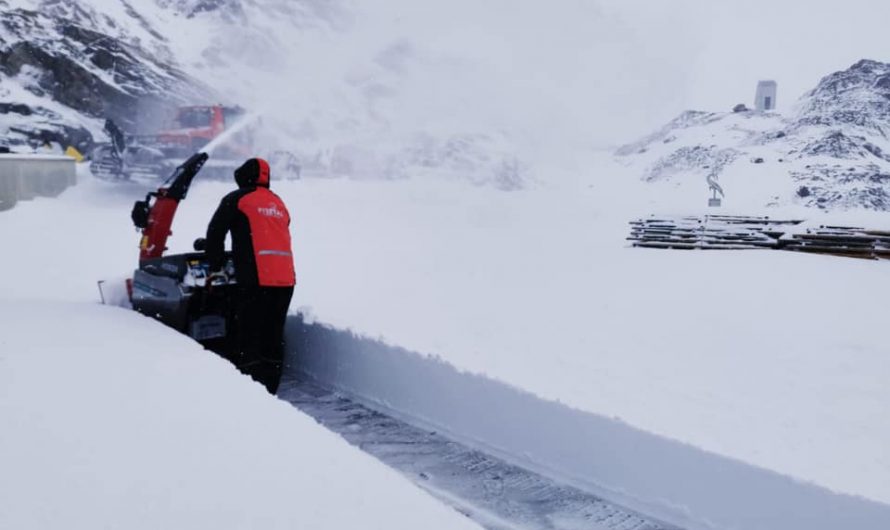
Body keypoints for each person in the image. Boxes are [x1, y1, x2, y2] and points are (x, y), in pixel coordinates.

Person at [205, 157, 296, 394]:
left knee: (247, 331)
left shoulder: (237, 199)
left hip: (256, 278)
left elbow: (215, 234)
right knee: (273, 333)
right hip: (286, 279)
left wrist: (215, 266)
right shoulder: (278, 202)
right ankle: (271, 385)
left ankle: (250, 389)